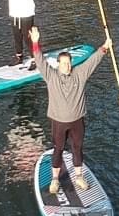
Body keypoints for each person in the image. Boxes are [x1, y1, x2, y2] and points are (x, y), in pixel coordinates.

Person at [36, 27, 111, 199]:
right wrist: (35, 43)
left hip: (77, 120)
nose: (67, 66)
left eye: (69, 63)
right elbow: (39, 60)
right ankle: (55, 179)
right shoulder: (51, 76)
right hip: (59, 121)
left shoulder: (79, 74)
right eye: (63, 63)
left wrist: (105, 47)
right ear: (58, 65)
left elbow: (93, 61)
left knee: (77, 148)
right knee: (58, 149)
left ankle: (79, 176)